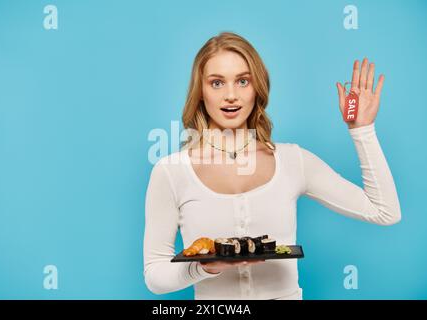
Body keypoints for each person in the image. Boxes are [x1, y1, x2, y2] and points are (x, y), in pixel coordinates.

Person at [143, 32, 401, 300]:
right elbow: (155, 275)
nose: (231, 95)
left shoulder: (293, 161)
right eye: (217, 83)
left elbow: (384, 212)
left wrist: (362, 130)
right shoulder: (171, 172)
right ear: (201, 91)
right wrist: (203, 269)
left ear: (258, 88)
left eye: (243, 81)